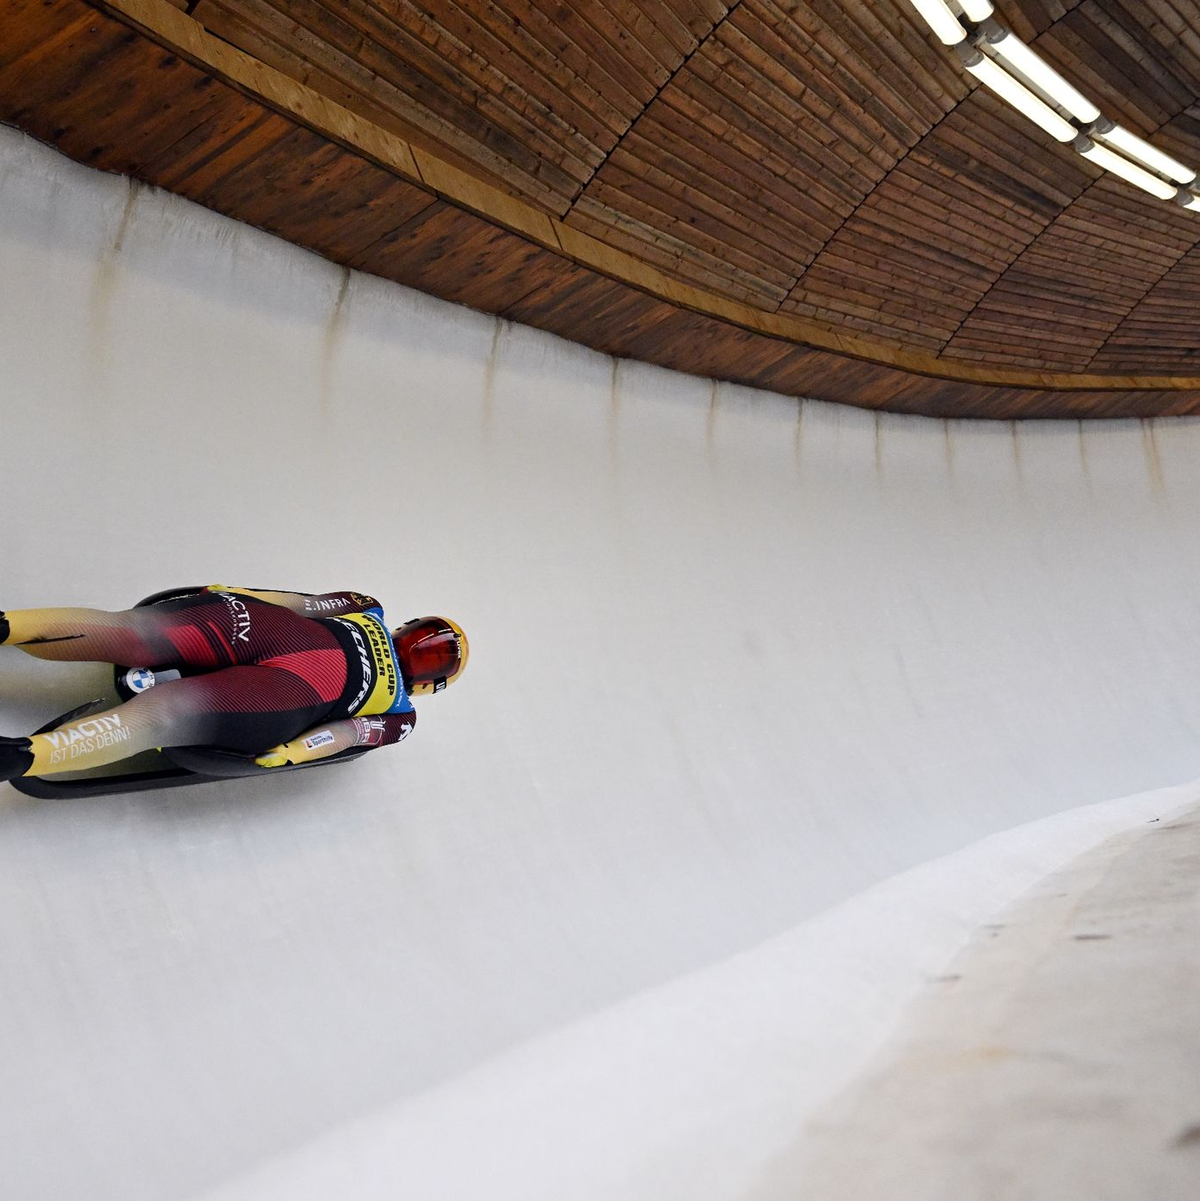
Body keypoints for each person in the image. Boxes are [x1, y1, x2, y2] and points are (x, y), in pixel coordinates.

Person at [0, 586, 467, 782]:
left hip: (285, 678)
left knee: (158, 689)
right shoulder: (367, 607)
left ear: (431, 682)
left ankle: (23, 747)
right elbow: (304, 604)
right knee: (145, 659)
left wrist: (293, 753)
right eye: (424, 641)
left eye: (431, 658)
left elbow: (348, 733)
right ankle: (23, 756)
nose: (419, 653)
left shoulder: (401, 714)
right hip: (283, 668)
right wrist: (293, 754)